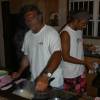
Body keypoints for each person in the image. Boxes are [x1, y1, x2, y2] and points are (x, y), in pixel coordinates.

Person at [12, 4, 63, 92]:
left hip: (52, 82)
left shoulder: (51, 33)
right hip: (34, 81)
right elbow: (26, 57)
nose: (29, 21)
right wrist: (19, 72)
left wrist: (45, 76)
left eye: (31, 18)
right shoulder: (28, 35)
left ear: (40, 17)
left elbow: (57, 55)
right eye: (26, 20)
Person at [60, 11, 95, 95]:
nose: (85, 26)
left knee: (82, 95)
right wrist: (85, 62)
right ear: (76, 20)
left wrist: (87, 46)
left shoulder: (78, 29)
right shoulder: (65, 34)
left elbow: (78, 42)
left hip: (80, 71)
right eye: (83, 23)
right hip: (70, 74)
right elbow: (65, 57)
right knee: (71, 97)